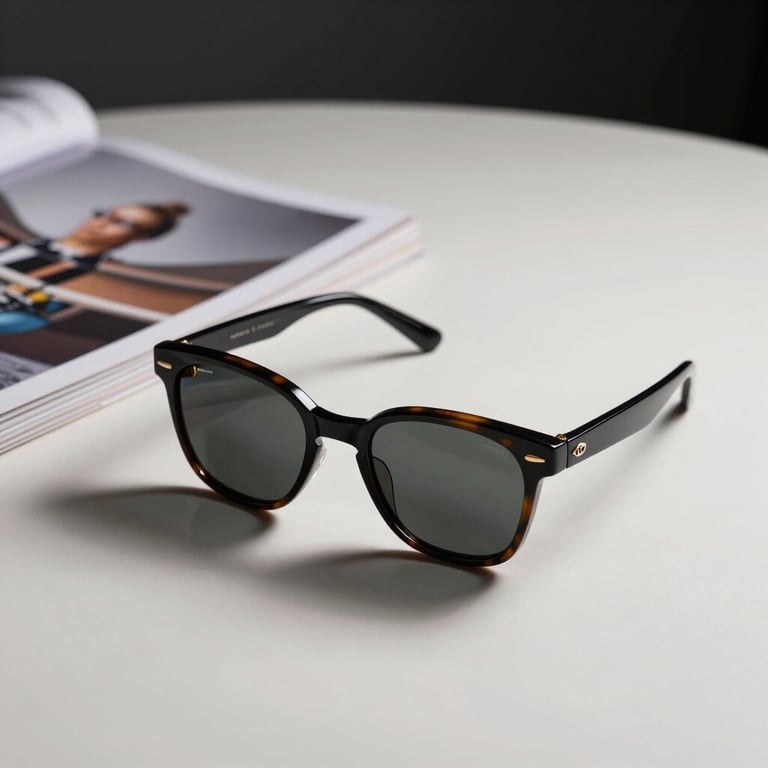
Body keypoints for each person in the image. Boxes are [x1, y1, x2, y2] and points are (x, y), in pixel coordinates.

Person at [0, 201, 190, 333]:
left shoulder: (95, 279)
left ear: (141, 237)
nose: (101, 223)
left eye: (121, 222)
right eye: (105, 214)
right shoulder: (16, 242)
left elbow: (35, 317)